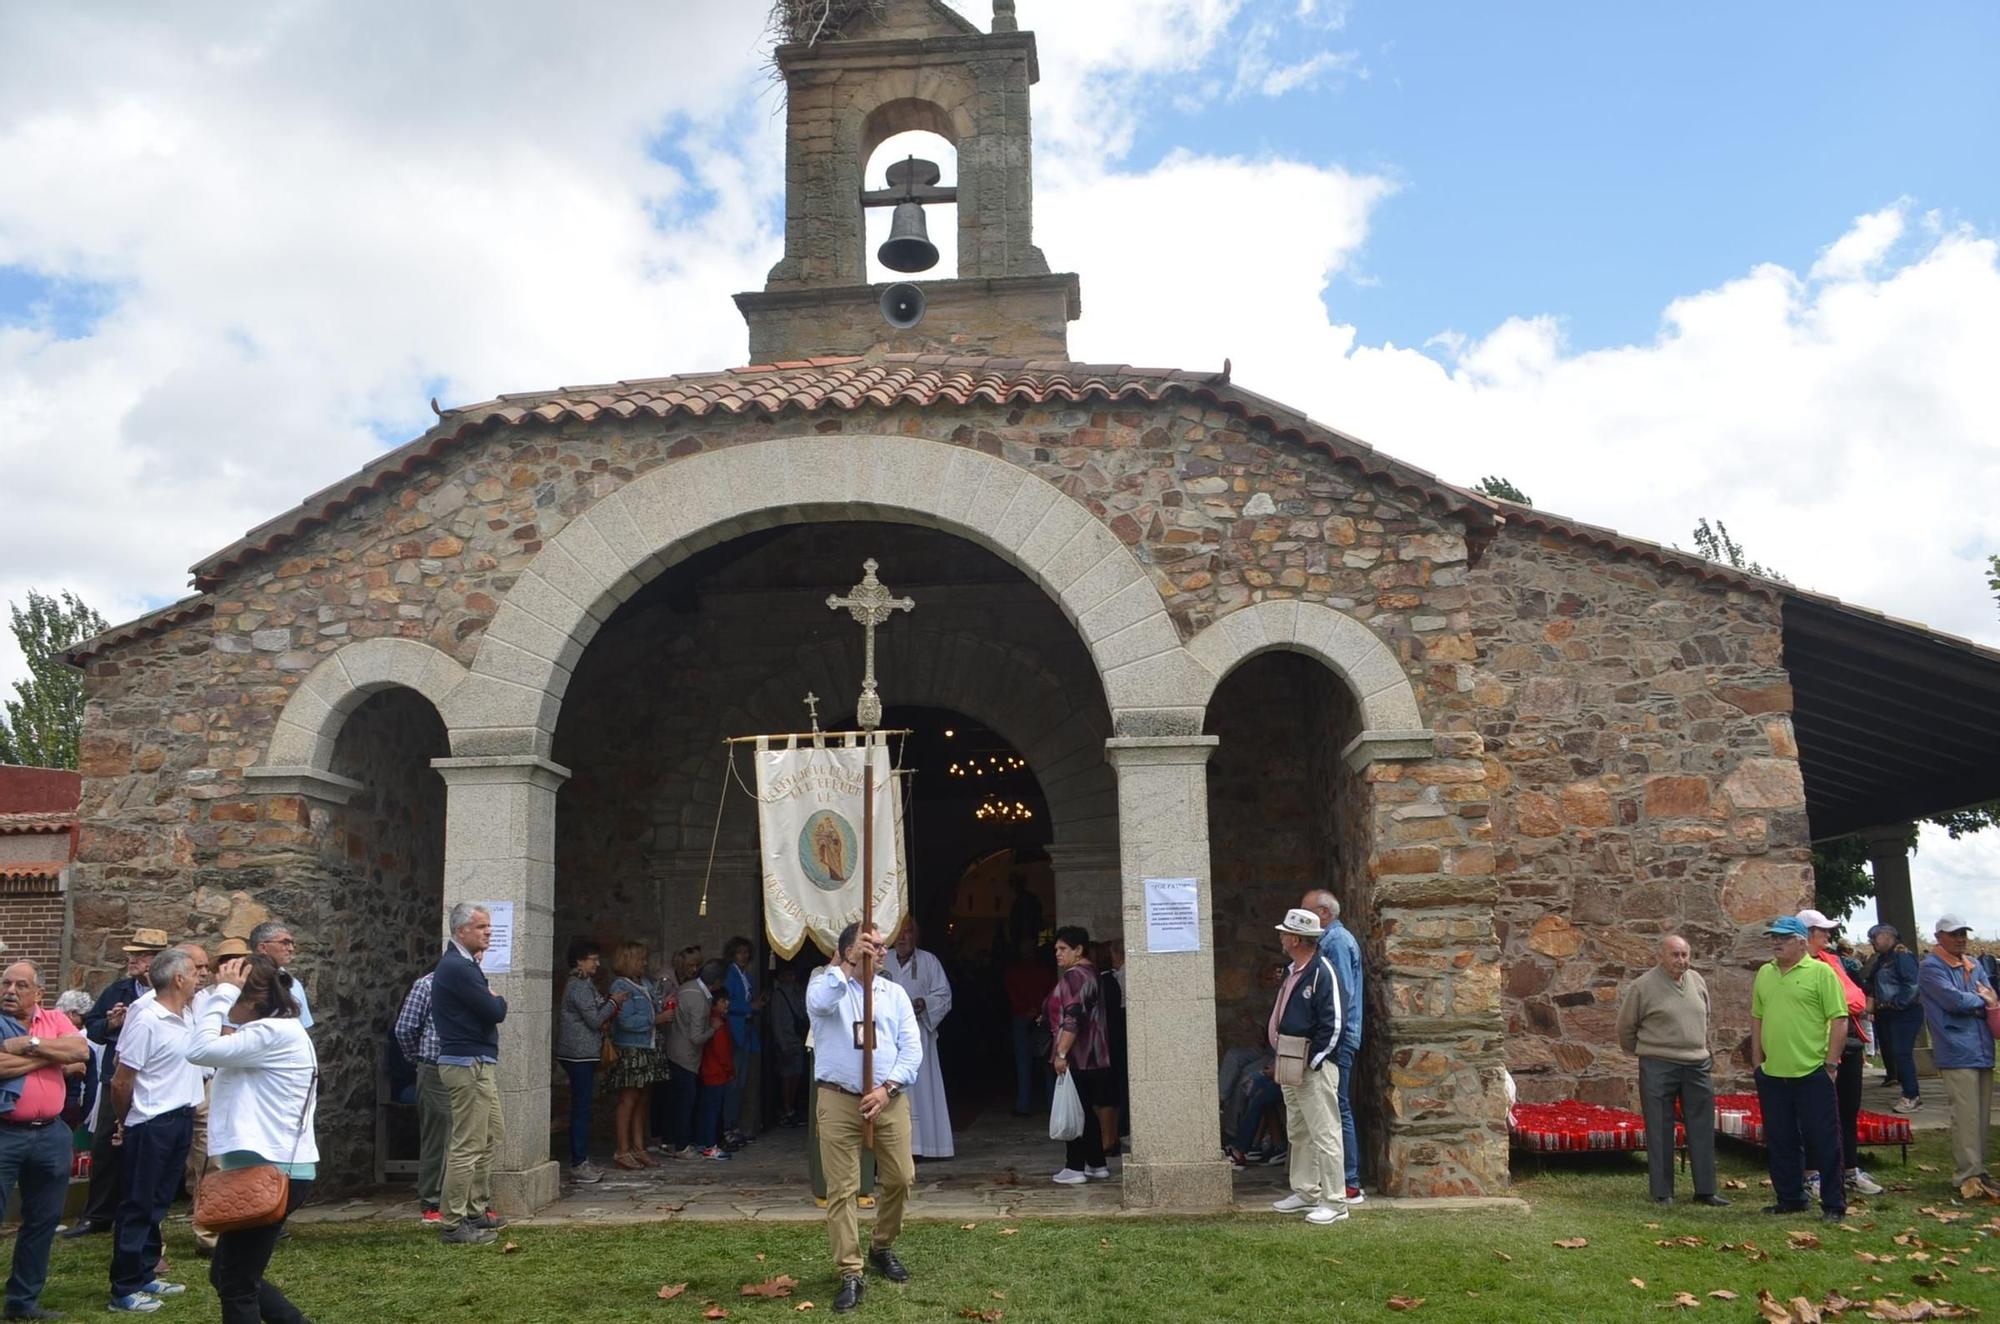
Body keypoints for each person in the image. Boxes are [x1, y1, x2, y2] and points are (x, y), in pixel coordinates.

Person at [185, 953, 318, 1324]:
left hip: (273, 1172)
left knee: (237, 1283)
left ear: (252, 999)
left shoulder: (272, 1033)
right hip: (269, 1169)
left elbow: (199, 1051)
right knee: (227, 1273)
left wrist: (222, 993)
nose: (224, 1004)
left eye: (231, 996)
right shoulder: (272, 1032)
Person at [807, 922, 922, 1315]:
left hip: (887, 1099)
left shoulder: (894, 995)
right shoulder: (826, 986)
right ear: (847, 951)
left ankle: (882, 1245)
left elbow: (911, 1050)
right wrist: (849, 963)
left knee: (901, 1178)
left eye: (881, 945)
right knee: (842, 1188)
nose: (879, 950)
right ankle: (850, 1271)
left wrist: (887, 1088)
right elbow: (820, 1005)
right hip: (839, 1100)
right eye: (867, 945)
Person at [107, 947, 204, 1312]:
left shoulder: (188, 1014)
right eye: (195, 972)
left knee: (159, 1202)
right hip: (150, 1123)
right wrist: (125, 1120)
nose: (199, 977)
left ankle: (145, 1271)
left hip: (180, 1117)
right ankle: (124, 1286)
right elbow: (122, 1080)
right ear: (178, 978)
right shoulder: (146, 1018)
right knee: (138, 1203)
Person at [0, 959, 91, 1322]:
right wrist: (51, 1058)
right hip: (5, 1133)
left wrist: (27, 1045)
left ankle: (22, 1302)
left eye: (21, 986)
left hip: (51, 1134)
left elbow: (81, 1053)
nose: (10, 991)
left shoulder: (54, 1019)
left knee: (42, 1220)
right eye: (6, 983)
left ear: (39, 993)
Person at [67, 928, 168, 1240]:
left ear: (157, 959)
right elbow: (93, 1029)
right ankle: (98, 1215)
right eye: (131, 954)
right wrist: (110, 1023)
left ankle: (147, 1215)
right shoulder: (119, 991)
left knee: (152, 1146)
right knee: (106, 1144)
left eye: (140, 954)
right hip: (119, 1078)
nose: (132, 959)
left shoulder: (172, 993)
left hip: (157, 1080)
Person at [1615, 934, 1727, 1206]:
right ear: (1660, 956)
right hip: (1658, 1064)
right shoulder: (1642, 987)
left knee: (1701, 1126)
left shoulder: (1698, 981)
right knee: (1660, 1127)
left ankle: (1706, 1190)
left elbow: (1706, 1016)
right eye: (1675, 955)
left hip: (1696, 1064)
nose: (1681, 961)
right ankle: (1663, 1192)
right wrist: (1646, 1051)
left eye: (1685, 955)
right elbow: (1625, 1028)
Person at [1750, 915, 1848, 1223]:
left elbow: (1839, 1019)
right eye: (1773, 938)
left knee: (1824, 1140)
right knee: (1781, 1139)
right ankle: (1790, 1197)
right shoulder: (1765, 973)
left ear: (1801, 941)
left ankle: (1833, 1203)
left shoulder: (1821, 973)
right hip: (1774, 1073)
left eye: (1783, 937)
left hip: (1811, 1072)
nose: (1776, 942)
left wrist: (1831, 1063)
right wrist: (1757, 1062)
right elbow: (1757, 1018)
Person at [1264, 909, 1348, 1226]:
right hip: (1292, 1060)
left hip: (1312, 1064)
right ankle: (1306, 1191)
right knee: (1299, 1130)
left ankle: (1335, 1201)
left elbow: (1335, 1024)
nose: (1282, 938)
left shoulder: (1322, 972)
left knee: (1325, 1133)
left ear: (1297, 938)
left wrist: (1315, 1061)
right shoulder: (1294, 971)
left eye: (1285, 933)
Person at [432, 902, 508, 1245]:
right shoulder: (457, 968)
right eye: (481, 927)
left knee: (491, 1135)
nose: (488, 931)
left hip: (477, 1060)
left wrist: (493, 998)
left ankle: (476, 1209)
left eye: (489, 926)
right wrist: (496, 999)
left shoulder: (466, 966)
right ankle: (453, 1222)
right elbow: (493, 1009)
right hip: (466, 1063)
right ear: (461, 931)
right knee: (468, 1143)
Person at [1798, 909, 1883, 1197]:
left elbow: (1856, 999)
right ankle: (1812, 1173)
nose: (1828, 936)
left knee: (1847, 1109)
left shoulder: (1832, 960)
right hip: (1815, 1047)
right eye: (1822, 931)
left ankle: (1849, 1169)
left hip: (1848, 1043)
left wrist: (1835, 1001)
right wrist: (1834, 1002)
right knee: (1815, 1112)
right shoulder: (1798, 965)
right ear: (1808, 933)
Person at [1917, 914, 2000, 1200]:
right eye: (1954, 934)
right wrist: (1982, 1001)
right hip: (1956, 1049)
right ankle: (1967, 1174)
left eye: (1963, 933)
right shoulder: (1930, 967)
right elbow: (1954, 1001)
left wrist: (1981, 1000)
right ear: (1939, 936)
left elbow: (1991, 995)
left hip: (1982, 1048)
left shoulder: (1973, 964)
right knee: (1965, 1115)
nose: (1961, 938)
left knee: (1980, 1115)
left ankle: (1979, 1170)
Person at [1302, 889, 1364, 1202]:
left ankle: (1349, 1182)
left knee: (1338, 1106)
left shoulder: (1337, 942)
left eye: (1308, 911)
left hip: (1338, 1039)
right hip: (1336, 1038)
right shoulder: (1330, 942)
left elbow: (1342, 993)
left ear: (1324, 914)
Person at [1045, 926, 1111, 1185]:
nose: (1057, 955)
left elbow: (1073, 1018)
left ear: (1078, 950)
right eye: (1056, 950)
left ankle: (1075, 1166)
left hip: (1078, 1055)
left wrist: (1061, 1052)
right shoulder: (1092, 973)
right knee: (1085, 1110)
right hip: (1096, 1054)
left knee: (1074, 1109)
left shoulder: (1074, 976)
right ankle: (1097, 1163)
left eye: (1062, 949)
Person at [884, 920, 954, 1159]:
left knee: (920, 1086)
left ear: (916, 935)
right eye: (898, 932)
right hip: (887, 1036)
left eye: (908, 932)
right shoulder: (883, 959)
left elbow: (944, 994)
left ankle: (923, 1145)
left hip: (918, 1033)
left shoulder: (928, 961)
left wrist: (924, 1003)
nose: (902, 937)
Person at [556, 938, 622, 1182]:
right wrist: (614, 1002)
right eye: (592, 959)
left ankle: (581, 1158)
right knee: (581, 1108)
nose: (597, 964)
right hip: (579, 1054)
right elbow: (594, 1019)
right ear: (579, 961)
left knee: (583, 1106)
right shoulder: (580, 986)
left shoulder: (583, 984)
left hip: (581, 1053)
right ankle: (578, 1161)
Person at [605, 942, 668, 1169]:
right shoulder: (621, 986)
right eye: (641, 959)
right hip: (632, 1048)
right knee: (628, 1098)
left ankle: (639, 1147)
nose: (644, 963)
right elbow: (626, 1021)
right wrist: (656, 1020)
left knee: (643, 1099)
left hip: (648, 1047)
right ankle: (622, 1150)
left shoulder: (646, 984)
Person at [392, 967, 447, 1223]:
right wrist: (419, 1060)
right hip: (434, 1065)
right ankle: (432, 1201)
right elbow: (404, 1029)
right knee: (437, 1134)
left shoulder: (475, 981)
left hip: (465, 1066)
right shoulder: (426, 985)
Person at [663, 960, 723, 1160]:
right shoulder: (700, 1001)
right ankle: (682, 1146)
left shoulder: (687, 987)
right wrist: (714, 1028)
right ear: (716, 983)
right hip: (686, 1057)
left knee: (675, 1101)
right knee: (686, 1102)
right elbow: (696, 1037)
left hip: (673, 1050)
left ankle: (670, 1141)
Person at [1862, 923, 1923, 1114]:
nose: (1871, 941)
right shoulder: (1882, 958)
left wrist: (1897, 1003)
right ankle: (1907, 1091)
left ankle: (1912, 1095)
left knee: (1902, 1053)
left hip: (1904, 1013)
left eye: (1874, 937)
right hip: (1886, 1013)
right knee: (1895, 1053)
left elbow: (1912, 985)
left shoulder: (1902, 955)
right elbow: (1870, 981)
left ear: (1888, 936)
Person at [1002, 943, 1051, 1116]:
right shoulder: (1044, 970)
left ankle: (1023, 1104)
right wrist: (1038, 1009)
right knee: (1048, 1062)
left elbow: (1011, 994)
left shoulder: (1013, 971)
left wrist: (1025, 1009)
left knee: (1023, 1063)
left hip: (1021, 1016)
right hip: (1042, 1016)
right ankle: (1052, 1104)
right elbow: (1050, 992)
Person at [722, 937, 762, 1149]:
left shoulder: (747, 975)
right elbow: (728, 1001)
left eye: (746, 952)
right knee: (734, 1081)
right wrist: (750, 1007)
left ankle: (738, 1125)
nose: (744, 956)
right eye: (740, 953)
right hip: (735, 1030)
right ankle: (728, 1126)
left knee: (744, 1082)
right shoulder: (730, 973)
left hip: (747, 1031)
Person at [249, 922, 313, 1030]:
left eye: (292, 944)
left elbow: (302, 1027)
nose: (291, 949)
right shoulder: (244, 981)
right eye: (285, 943)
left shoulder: (294, 984)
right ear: (263, 947)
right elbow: (229, 1029)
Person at [696, 981, 734, 1157]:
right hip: (716, 1073)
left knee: (709, 1110)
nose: (726, 1004)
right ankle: (709, 1145)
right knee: (712, 1111)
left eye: (727, 1000)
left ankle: (705, 1142)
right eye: (722, 1001)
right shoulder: (717, 1023)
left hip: (712, 1071)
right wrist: (729, 1069)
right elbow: (722, 1051)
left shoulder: (713, 1020)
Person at [771, 964, 808, 1127]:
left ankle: (792, 1107)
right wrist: (782, 1044)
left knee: (796, 1075)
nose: (791, 978)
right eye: (788, 975)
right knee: (787, 1076)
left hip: (797, 1039)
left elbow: (803, 1011)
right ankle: (786, 1110)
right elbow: (776, 1022)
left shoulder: (797, 992)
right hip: (785, 1040)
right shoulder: (778, 996)